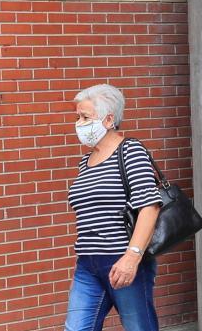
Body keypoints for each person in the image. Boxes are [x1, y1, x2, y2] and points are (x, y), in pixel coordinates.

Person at [63, 84, 163, 331]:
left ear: (108, 120)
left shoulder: (130, 151)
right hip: (88, 265)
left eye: (85, 117)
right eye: (78, 117)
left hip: (123, 259)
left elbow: (150, 206)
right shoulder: (86, 162)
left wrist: (132, 257)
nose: (79, 124)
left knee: (139, 327)